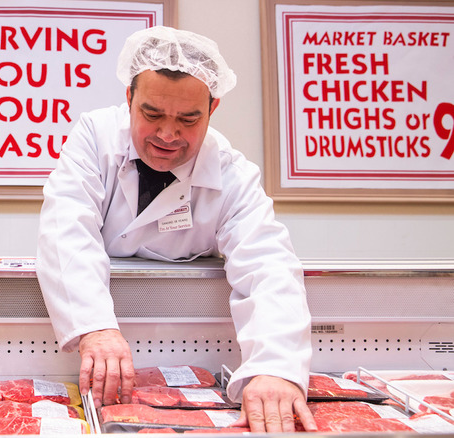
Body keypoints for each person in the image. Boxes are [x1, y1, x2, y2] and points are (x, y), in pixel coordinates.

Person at [36, 26, 316, 433]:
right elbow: (66, 227)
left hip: (181, 335)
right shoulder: (95, 136)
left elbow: (267, 265)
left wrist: (275, 367)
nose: (168, 135)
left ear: (213, 108)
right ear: (129, 98)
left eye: (188, 119)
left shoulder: (231, 173)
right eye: (152, 115)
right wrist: (94, 327)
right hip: (96, 340)